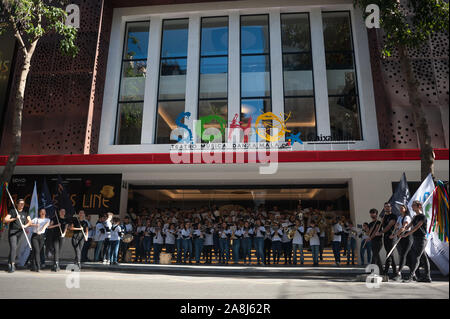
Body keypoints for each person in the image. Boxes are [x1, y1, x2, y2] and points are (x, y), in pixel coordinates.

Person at [401, 200, 431, 283]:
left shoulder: (422, 217)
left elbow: (416, 227)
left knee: (416, 257)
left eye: (414, 205)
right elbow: (409, 226)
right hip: (416, 239)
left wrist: (407, 234)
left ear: (419, 207)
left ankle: (411, 277)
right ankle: (427, 277)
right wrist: (403, 229)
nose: (412, 207)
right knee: (424, 258)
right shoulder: (414, 217)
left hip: (422, 239)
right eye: (413, 205)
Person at [3, 199, 32, 273]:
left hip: (20, 232)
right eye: (21, 203)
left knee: (15, 249)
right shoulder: (13, 211)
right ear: (17, 204)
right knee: (14, 247)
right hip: (13, 232)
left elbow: (30, 222)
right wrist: (15, 218)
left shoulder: (25, 212)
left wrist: (25, 226)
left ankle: (9, 263)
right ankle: (12, 265)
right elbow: (5, 220)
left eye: (23, 203)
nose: (22, 205)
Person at [391, 204, 412, 281]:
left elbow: (404, 227)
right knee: (405, 256)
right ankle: (414, 273)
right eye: (400, 208)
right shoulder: (399, 217)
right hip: (400, 237)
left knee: (403, 254)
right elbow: (397, 226)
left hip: (406, 237)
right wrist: (395, 229)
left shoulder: (407, 217)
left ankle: (398, 273)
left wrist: (395, 235)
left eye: (402, 208)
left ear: (405, 209)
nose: (400, 209)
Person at [377, 202, 397, 277]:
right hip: (385, 237)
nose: (387, 208)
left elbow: (389, 226)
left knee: (389, 254)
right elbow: (380, 226)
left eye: (388, 206)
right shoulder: (384, 217)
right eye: (385, 207)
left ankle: (386, 272)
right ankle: (394, 272)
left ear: (391, 207)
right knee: (389, 254)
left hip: (391, 236)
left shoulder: (393, 216)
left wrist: (381, 232)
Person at [367, 208, 383, 274]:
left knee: (375, 255)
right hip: (373, 241)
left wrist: (370, 237)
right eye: (371, 213)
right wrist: (366, 230)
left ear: (376, 214)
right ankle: (381, 271)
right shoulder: (370, 223)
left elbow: (376, 231)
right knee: (376, 256)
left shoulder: (378, 222)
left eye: (373, 213)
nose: (372, 214)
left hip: (378, 241)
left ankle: (371, 270)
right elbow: (369, 232)